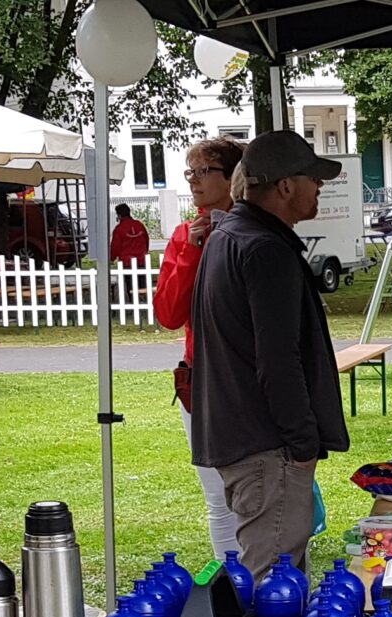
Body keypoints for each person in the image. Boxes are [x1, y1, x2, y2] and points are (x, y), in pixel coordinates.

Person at [189, 130, 346, 577]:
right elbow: (278, 361)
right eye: (313, 178)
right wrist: (302, 445)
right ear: (285, 186)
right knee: (272, 587)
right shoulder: (264, 248)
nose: (320, 186)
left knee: (278, 580)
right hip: (266, 445)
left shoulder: (229, 235)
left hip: (245, 439)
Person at [152, 134, 248, 557]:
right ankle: (232, 578)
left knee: (261, 492)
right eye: (189, 172)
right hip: (201, 379)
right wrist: (191, 250)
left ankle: (274, 576)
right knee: (218, 497)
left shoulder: (255, 231)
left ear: (233, 178)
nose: (193, 181)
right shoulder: (184, 235)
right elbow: (168, 314)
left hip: (247, 381)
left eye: (203, 171)